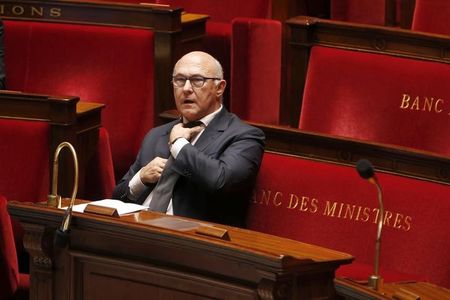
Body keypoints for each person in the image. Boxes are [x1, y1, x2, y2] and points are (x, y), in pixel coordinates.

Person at [113, 51, 265, 227]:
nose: (186, 88)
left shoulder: (244, 136)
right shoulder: (156, 135)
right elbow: (117, 197)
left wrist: (179, 145)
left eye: (197, 80)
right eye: (179, 80)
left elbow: (221, 181)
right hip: (137, 231)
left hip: (195, 240)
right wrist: (141, 178)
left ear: (220, 88)